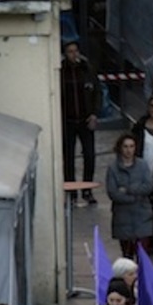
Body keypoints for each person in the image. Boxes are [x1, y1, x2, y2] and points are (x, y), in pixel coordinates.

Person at [61, 40, 101, 205]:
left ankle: (87, 190)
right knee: (68, 158)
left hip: (85, 120)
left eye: (75, 51)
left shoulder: (86, 69)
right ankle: (71, 193)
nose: (74, 54)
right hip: (68, 121)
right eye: (70, 51)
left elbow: (97, 92)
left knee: (90, 156)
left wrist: (94, 114)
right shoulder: (61, 71)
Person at [106, 133, 153, 259]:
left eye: (131, 146)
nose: (128, 150)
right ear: (120, 148)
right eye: (125, 147)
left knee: (143, 256)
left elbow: (149, 186)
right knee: (127, 256)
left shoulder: (143, 165)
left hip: (142, 215)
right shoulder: (113, 168)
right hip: (123, 217)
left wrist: (127, 189)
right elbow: (113, 192)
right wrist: (135, 196)